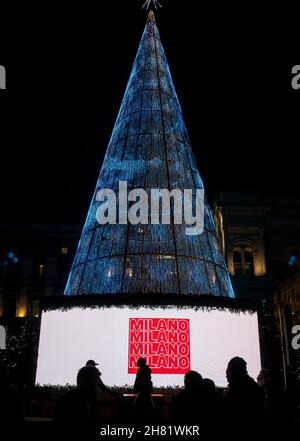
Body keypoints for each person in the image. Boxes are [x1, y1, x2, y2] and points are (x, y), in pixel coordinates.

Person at [223, 357, 265, 429]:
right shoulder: (254, 387)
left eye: (228, 372)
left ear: (232, 372)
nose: (226, 376)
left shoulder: (232, 393)